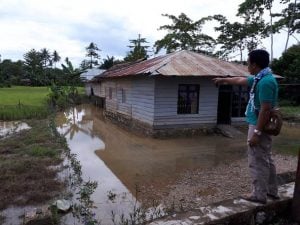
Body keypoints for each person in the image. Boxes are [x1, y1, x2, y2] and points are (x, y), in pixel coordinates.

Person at [213, 49, 279, 204]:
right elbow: (240, 80)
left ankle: (259, 194)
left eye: (248, 63)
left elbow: (265, 109)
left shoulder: (265, 82)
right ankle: (271, 191)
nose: (247, 66)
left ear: (254, 65)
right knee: (266, 158)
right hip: (258, 124)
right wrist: (223, 80)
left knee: (257, 160)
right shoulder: (260, 78)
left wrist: (256, 133)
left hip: (258, 125)